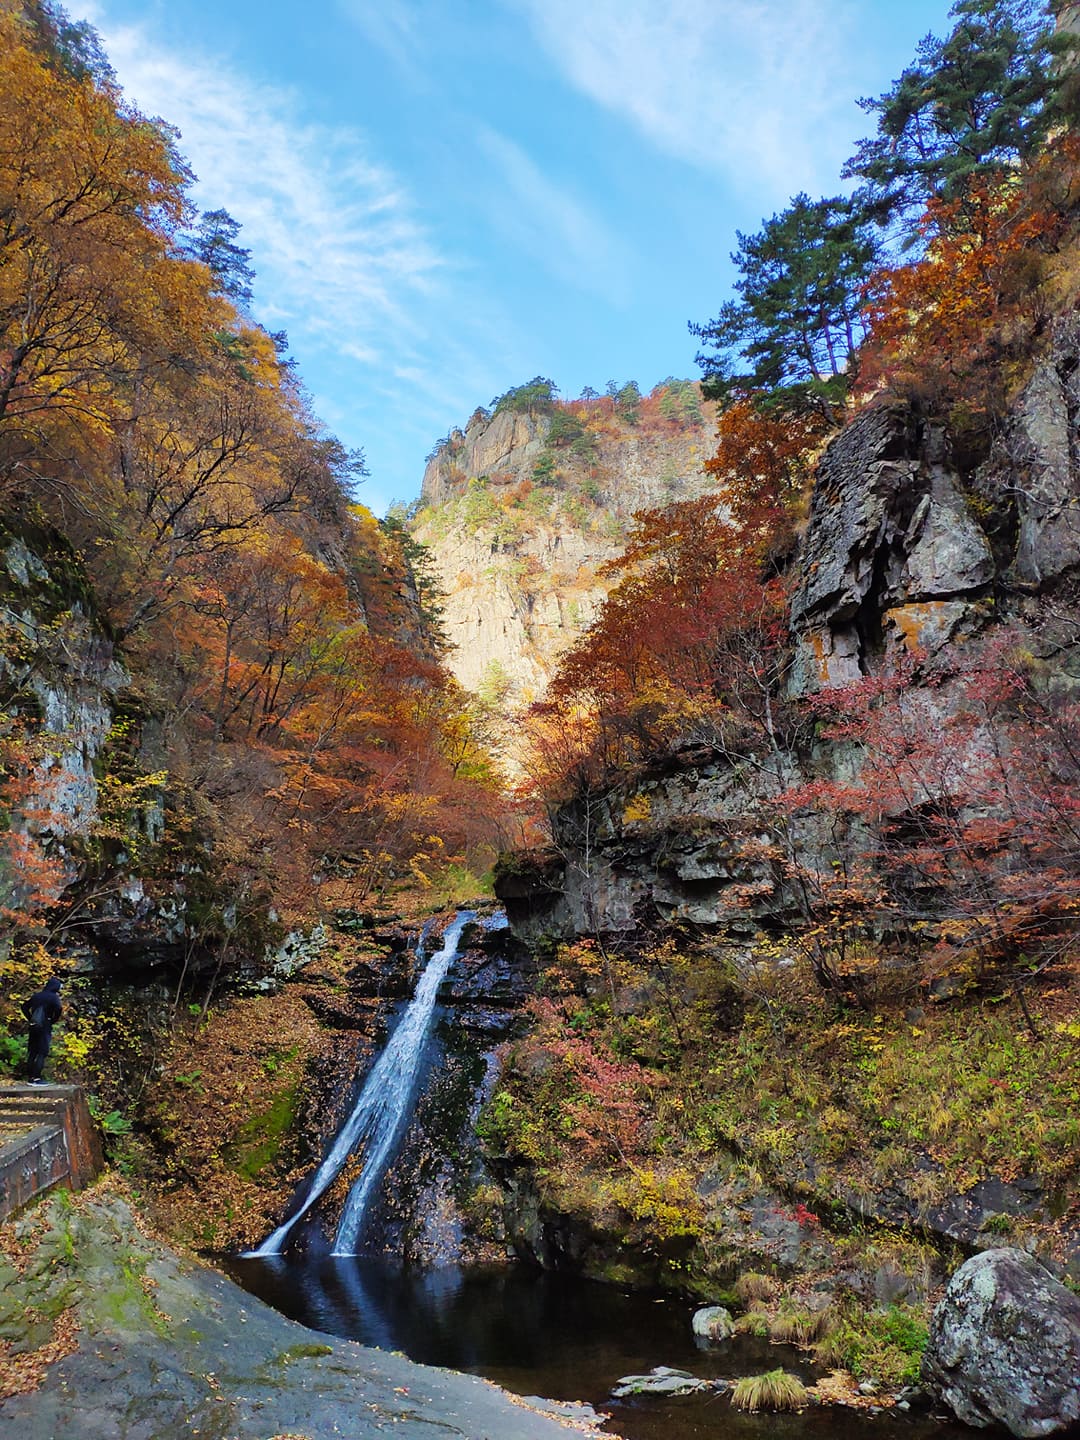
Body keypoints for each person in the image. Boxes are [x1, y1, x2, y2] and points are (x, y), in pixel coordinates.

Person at [23, 977, 63, 1084]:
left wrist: (30, 1017)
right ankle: (37, 1078)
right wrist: (52, 1020)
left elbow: (24, 1007)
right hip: (45, 1025)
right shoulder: (53, 997)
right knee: (42, 1051)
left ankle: (30, 1078)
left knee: (32, 1051)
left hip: (33, 1025)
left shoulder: (37, 996)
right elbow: (59, 1009)